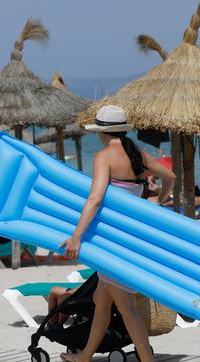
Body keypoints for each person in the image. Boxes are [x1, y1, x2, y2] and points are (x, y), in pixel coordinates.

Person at [59, 105, 174, 362]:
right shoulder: (139, 155)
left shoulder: (104, 157)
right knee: (102, 299)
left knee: (127, 307)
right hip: (132, 238)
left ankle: (147, 360)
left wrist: (76, 236)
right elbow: (171, 176)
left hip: (114, 241)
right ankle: (85, 355)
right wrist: (158, 202)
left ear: (101, 132)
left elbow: (95, 199)